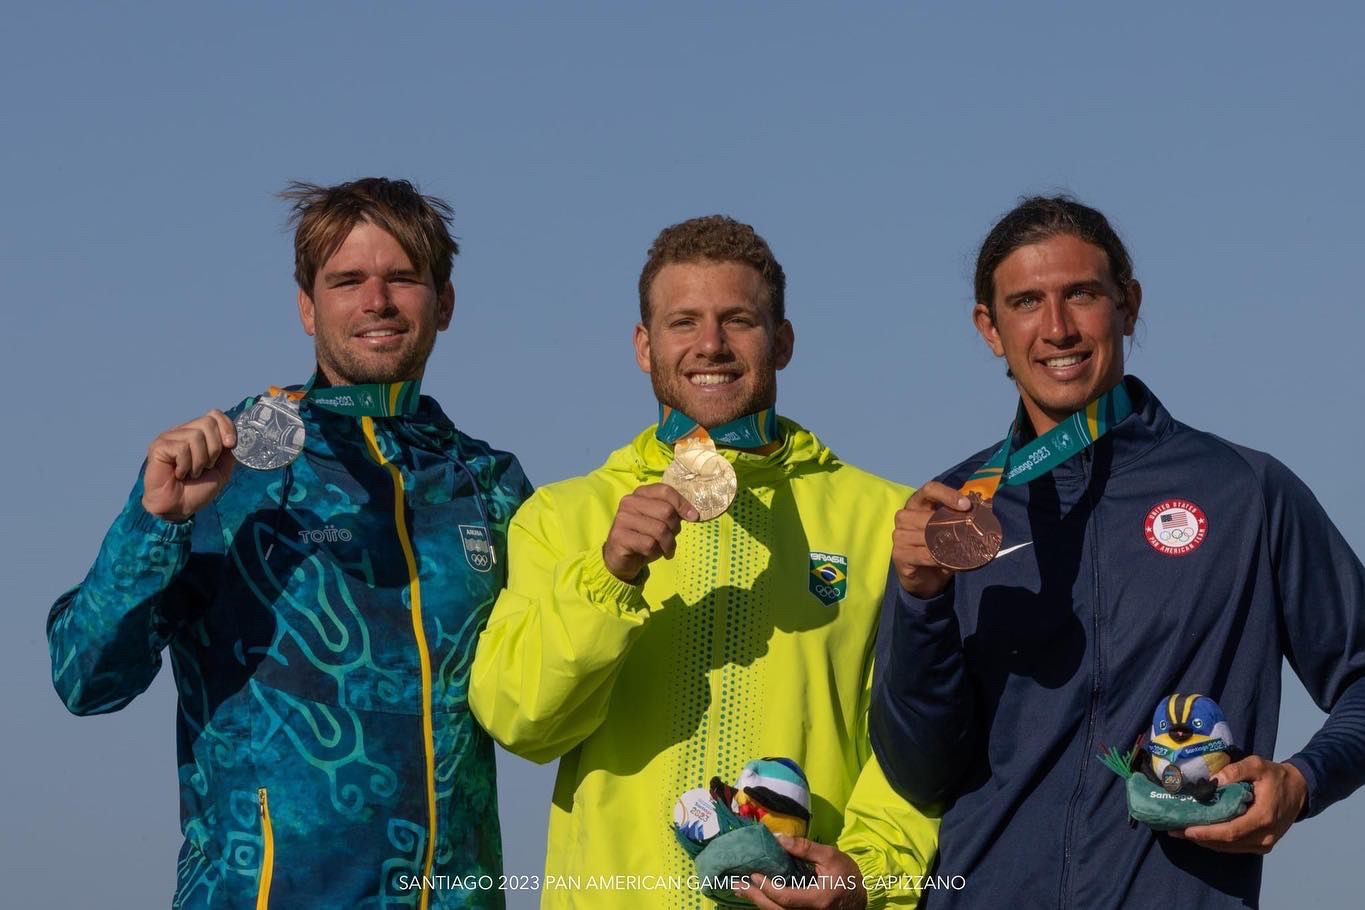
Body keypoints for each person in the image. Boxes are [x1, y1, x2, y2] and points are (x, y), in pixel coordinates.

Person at [47, 178, 532, 909]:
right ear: (307, 307)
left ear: (446, 302)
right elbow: (85, 679)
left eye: (402, 277)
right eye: (347, 281)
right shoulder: (226, 466)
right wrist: (157, 524)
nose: (376, 301)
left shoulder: (488, 484)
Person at [870, 195, 1365, 907]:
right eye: (1025, 302)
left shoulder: (1243, 491)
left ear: (1127, 305)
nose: (1057, 328)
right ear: (989, 327)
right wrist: (918, 601)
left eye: (1081, 294)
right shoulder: (947, 513)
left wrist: (1303, 780)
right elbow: (920, 775)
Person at [469, 215, 937, 910]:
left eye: (737, 320)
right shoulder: (562, 518)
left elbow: (920, 744)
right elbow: (523, 726)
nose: (709, 345)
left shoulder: (881, 521)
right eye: (682, 322)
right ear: (643, 345)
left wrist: (867, 876)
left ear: (780, 342)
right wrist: (607, 577)